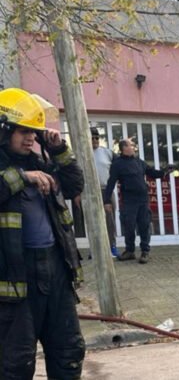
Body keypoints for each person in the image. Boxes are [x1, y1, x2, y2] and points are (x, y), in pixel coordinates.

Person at [0, 88, 85, 378]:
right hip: (15, 278)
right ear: (4, 130)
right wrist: (23, 178)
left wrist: (59, 150)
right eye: (23, 131)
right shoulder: (19, 170)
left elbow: (73, 186)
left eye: (33, 132)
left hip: (55, 269)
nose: (30, 138)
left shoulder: (40, 162)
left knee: (68, 351)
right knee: (16, 362)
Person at [104, 138, 167, 264]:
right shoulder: (117, 164)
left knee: (144, 225)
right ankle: (130, 251)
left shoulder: (139, 162)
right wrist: (107, 201)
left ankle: (145, 251)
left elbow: (152, 173)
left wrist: (165, 171)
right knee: (129, 226)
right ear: (124, 148)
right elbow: (110, 183)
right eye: (130, 145)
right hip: (129, 200)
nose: (133, 148)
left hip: (143, 200)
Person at [91, 127, 118, 257]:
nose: (95, 140)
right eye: (92, 138)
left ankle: (112, 246)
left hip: (106, 190)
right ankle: (95, 249)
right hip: (90, 191)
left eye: (97, 138)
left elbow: (119, 168)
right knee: (93, 220)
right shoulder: (82, 153)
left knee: (109, 220)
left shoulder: (108, 153)